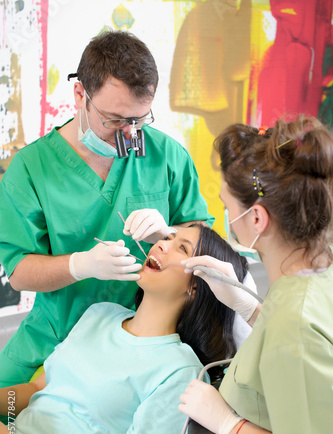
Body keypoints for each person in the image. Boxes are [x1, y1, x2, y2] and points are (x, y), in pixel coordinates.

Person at [0, 29, 214, 389]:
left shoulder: (165, 155)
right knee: (8, 408)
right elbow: (19, 271)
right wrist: (79, 265)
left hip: (147, 340)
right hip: (59, 334)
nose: (130, 134)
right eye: (115, 120)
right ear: (80, 94)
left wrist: (170, 234)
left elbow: (206, 243)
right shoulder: (30, 169)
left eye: (139, 120)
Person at [0, 225, 248, 434]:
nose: (161, 245)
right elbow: (37, 390)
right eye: (167, 238)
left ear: (196, 287)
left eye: (182, 248)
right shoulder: (100, 314)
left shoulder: (180, 372)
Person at [179, 115, 333, 434]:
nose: (228, 218)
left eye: (228, 208)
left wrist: (229, 425)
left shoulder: (293, 323)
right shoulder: (313, 272)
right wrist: (250, 309)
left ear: (258, 218)